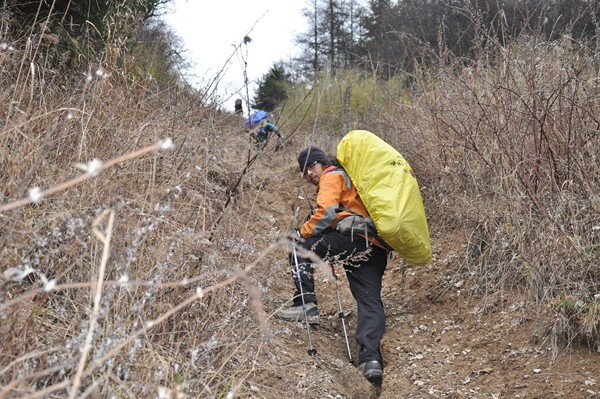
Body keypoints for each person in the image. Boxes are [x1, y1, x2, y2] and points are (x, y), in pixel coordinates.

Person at [275, 146, 389, 386]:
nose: (307, 174)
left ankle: (305, 304)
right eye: (303, 171)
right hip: (373, 245)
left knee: (297, 246)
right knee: (369, 300)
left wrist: (300, 232)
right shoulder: (348, 181)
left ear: (321, 163)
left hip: (352, 239)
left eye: (310, 167)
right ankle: (371, 360)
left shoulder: (331, 176)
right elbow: (339, 213)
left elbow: (325, 212)